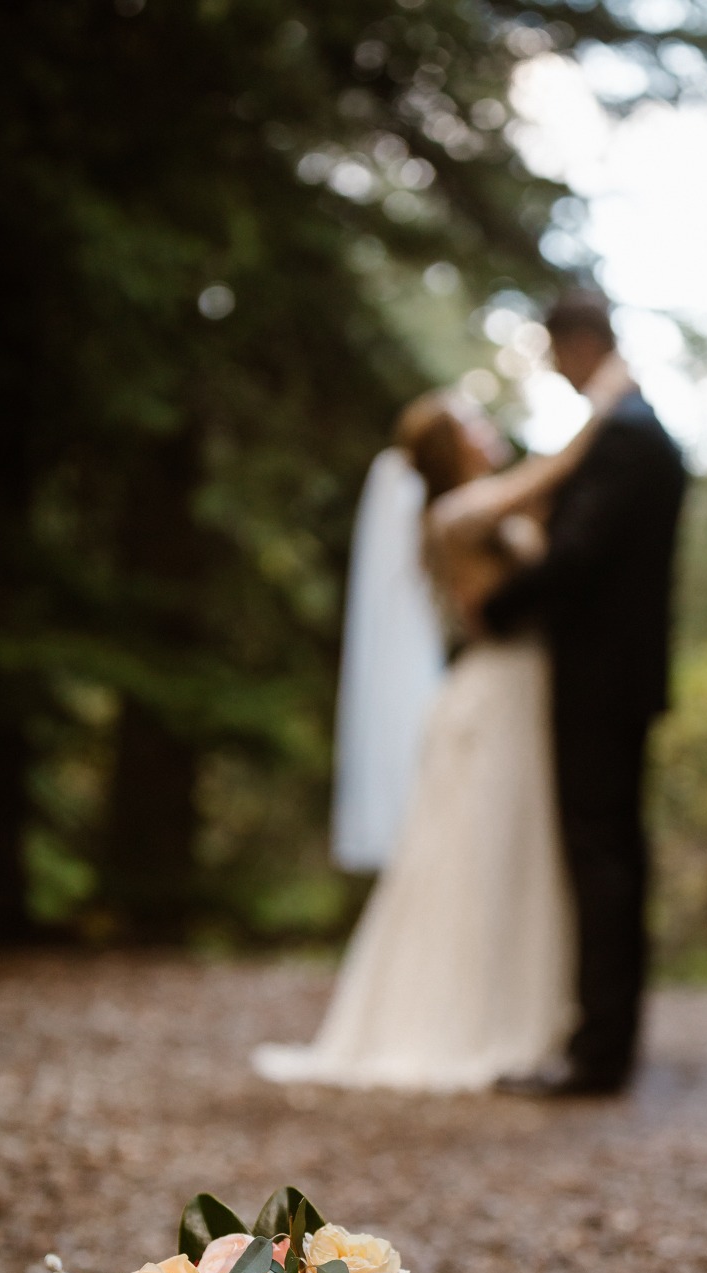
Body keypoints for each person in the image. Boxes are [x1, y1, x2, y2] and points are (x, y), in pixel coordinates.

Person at [252, 377, 626, 1092]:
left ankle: (523, 1010)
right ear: (449, 451)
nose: (487, 430)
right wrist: (604, 415)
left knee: (508, 856)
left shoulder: (481, 509)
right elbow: (552, 475)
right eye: (471, 424)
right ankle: (469, 1019)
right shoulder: (458, 513)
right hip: (496, 696)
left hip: (523, 692)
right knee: (478, 856)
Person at [474, 291, 687, 1097]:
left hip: (602, 680)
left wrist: (494, 611)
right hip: (623, 678)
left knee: (600, 856)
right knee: (614, 853)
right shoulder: (636, 430)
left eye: (556, 351)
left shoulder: (625, 436)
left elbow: (575, 559)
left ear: (580, 341)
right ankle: (607, 1038)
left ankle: (601, 1052)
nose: (556, 370)